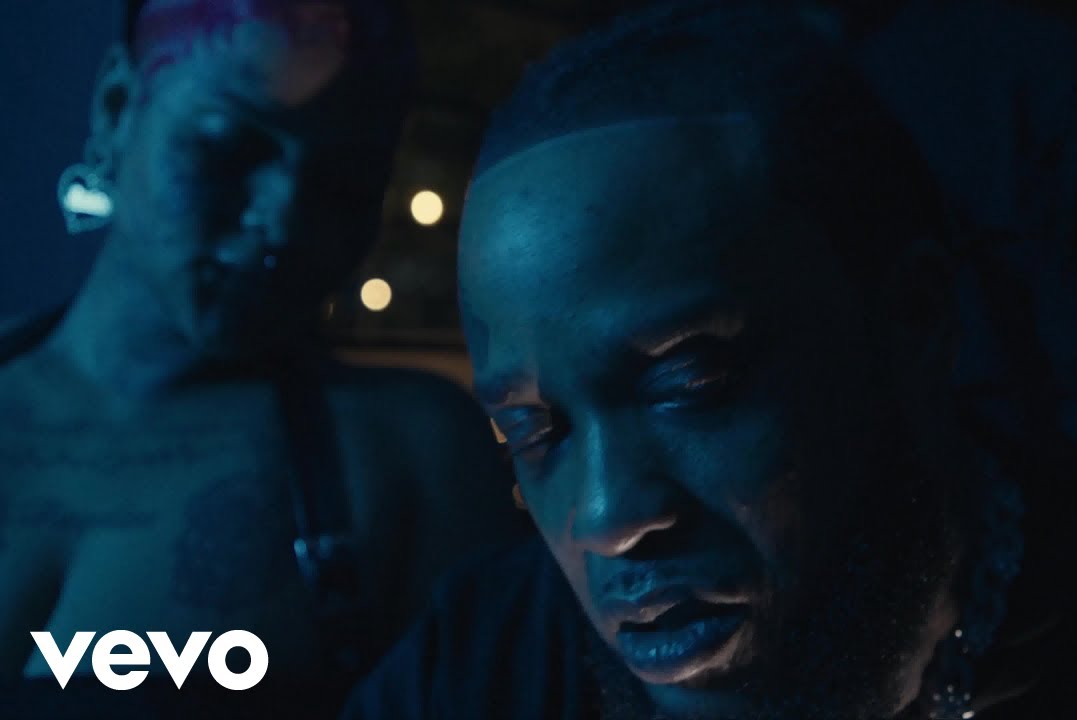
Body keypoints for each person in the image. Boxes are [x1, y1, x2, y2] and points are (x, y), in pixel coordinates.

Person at [341, 3, 1026, 718]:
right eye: (532, 432)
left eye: (689, 384)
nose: (607, 518)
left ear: (915, 320)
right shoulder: (480, 665)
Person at [0, 0, 525, 705]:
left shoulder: (407, 454)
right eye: (230, 148)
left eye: (342, 183)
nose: (282, 220)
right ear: (118, 106)